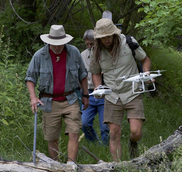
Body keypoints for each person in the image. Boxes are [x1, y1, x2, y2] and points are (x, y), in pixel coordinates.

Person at [25, 25, 89, 164]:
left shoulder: (74, 52)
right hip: (49, 101)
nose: (57, 47)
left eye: (60, 44)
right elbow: (30, 78)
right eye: (54, 44)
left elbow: (83, 74)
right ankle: (56, 165)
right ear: (49, 42)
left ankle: (71, 165)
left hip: (71, 98)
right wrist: (33, 97)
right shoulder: (40, 55)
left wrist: (85, 94)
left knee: (74, 133)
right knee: (52, 137)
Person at [90, 18, 152, 161]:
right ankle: (117, 166)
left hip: (132, 92)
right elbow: (95, 72)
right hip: (112, 95)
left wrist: (146, 72)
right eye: (102, 37)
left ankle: (133, 143)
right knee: (113, 133)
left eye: (108, 36)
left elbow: (145, 60)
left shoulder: (129, 43)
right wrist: (98, 87)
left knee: (136, 132)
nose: (106, 40)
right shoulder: (96, 51)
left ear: (114, 34)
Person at [80, 29, 109, 145]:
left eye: (91, 44)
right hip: (89, 93)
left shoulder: (105, 53)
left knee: (105, 126)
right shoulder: (82, 55)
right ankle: (95, 144)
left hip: (104, 93)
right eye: (87, 44)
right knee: (84, 123)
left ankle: (106, 147)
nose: (89, 46)